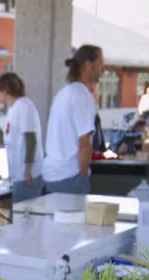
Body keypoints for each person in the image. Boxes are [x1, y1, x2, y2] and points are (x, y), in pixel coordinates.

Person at [41, 45, 104, 195]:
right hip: (70, 176)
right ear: (88, 66)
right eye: (101, 63)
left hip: (51, 174)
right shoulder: (82, 96)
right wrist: (83, 177)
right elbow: (84, 143)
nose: (103, 68)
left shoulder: (64, 93)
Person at [0, 72, 44, 202]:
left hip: (27, 177)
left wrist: (28, 170)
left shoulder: (24, 106)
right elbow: (9, 141)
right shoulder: (13, 110)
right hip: (19, 177)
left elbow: (31, 139)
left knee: (26, 219)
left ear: (6, 90)